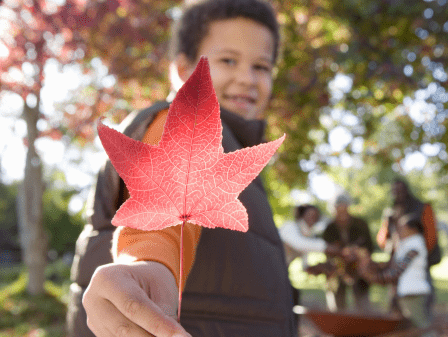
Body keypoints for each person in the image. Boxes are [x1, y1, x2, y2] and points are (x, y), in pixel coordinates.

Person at [67, 1, 297, 336]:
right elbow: (165, 207)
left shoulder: (234, 147)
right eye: (228, 60)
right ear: (183, 69)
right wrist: (149, 264)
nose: (247, 78)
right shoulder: (181, 123)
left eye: (261, 66)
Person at [359, 214, 436, 337]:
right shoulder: (407, 245)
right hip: (407, 292)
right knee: (412, 327)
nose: (399, 231)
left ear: (413, 230)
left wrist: (373, 277)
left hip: (414, 292)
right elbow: (393, 266)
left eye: (402, 228)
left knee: (422, 326)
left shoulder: (414, 246)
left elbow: (396, 271)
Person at [376, 178, 440, 314]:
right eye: (395, 191)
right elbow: (382, 239)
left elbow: (431, 238)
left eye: (400, 190)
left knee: (419, 307)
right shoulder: (391, 211)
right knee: (397, 304)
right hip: (397, 262)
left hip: (416, 265)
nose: (397, 194)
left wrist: (415, 254)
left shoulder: (422, 208)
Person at [322, 194, 374, 312]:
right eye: (338, 208)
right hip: (338, 267)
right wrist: (341, 254)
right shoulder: (329, 227)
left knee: (362, 297)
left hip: (358, 266)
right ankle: (338, 321)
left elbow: (369, 246)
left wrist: (357, 252)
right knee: (337, 297)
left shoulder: (360, 224)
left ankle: (364, 321)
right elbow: (326, 249)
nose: (341, 212)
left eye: (344, 207)